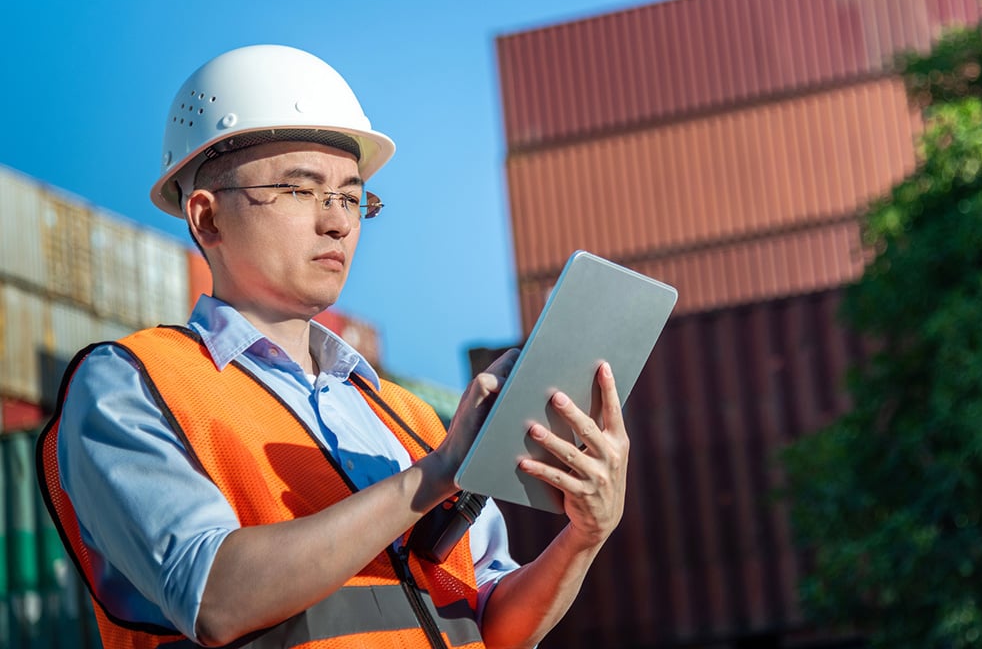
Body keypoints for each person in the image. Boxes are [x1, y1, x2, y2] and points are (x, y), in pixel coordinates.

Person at [37, 44, 630, 649]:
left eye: (350, 196)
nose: (339, 223)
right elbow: (214, 596)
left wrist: (585, 534)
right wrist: (435, 476)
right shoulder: (133, 384)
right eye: (301, 190)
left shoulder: (409, 419)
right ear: (207, 218)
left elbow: (498, 625)